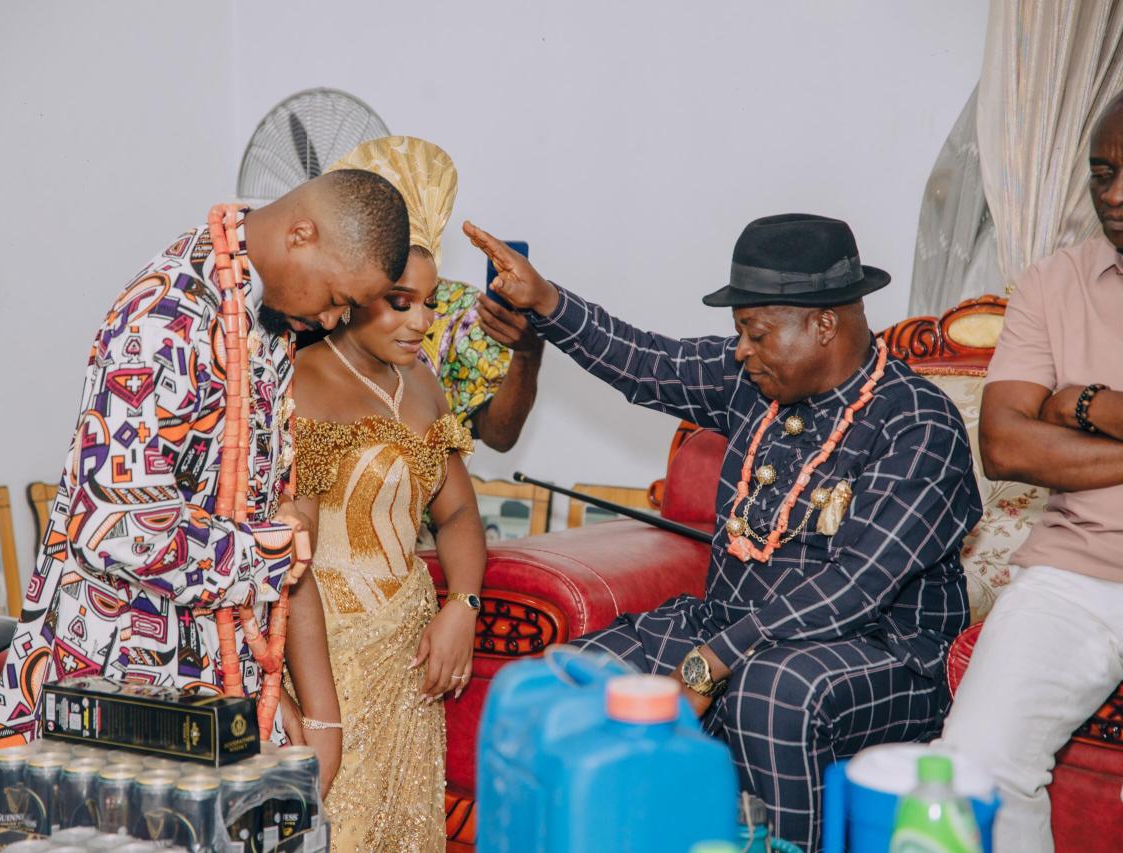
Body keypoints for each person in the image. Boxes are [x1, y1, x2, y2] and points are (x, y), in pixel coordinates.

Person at [0, 169, 411, 851]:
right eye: (339, 300)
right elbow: (115, 527)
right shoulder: (164, 316)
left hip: (210, 641)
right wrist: (272, 550)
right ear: (300, 234)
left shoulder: (266, 310)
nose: (336, 320)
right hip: (118, 652)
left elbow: (243, 485)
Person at [464, 213, 982, 852]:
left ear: (824, 325)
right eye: (739, 333)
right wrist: (546, 301)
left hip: (879, 649)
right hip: (730, 626)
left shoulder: (918, 425)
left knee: (773, 690)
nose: (740, 350)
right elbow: (646, 361)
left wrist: (715, 659)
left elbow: (856, 585)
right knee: (573, 684)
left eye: (755, 334)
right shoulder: (753, 382)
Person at [938, 93, 1123, 853]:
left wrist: (1083, 405)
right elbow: (1005, 446)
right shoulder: (1053, 283)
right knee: (971, 769)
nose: (1114, 195)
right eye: (1102, 174)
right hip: (1078, 574)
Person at [291, 137, 485, 851]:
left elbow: (457, 513)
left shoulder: (424, 384)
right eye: (401, 303)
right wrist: (317, 710)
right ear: (353, 289)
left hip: (413, 664)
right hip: (330, 663)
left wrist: (463, 606)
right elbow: (292, 562)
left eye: (430, 304)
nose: (421, 322)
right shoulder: (303, 382)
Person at [422, 277, 544, 451]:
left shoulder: (460, 305)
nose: (416, 321)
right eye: (400, 304)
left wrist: (527, 354)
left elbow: (499, 435)